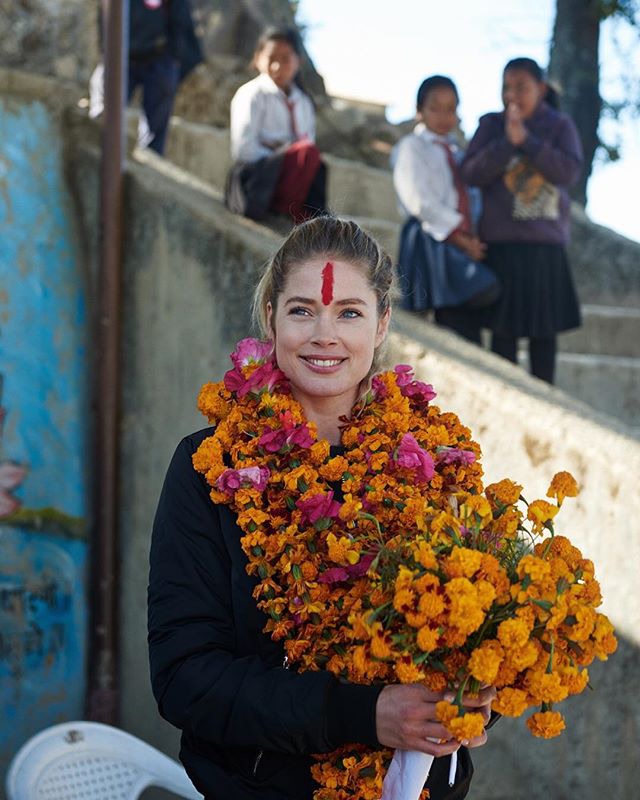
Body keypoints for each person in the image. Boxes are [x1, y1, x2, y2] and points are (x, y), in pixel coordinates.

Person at [147, 217, 495, 800]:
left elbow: (480, 629)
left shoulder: (437, 462)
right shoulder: (209, 466)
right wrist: (363, 715)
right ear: (271, 318)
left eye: (349, 313)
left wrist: (474, 698)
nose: (324, 335)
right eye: (303, 310)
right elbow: (185, 678)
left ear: (383, 323)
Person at [460, 57, 583, 383]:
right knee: (504, 334)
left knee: (544, 335)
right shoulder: (490, 125)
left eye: (522, 88)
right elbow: (471, 173)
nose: (512, 96)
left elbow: (568, 171)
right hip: (502, 246)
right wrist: (506, 143)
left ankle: (546, 400)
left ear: (540, 89)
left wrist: (527, 140)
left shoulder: (559, 126)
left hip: (545, 248)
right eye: (506, 88)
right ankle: (508, 393)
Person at [391, 75, 499, 344]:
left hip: (459, 237)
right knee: (467, 295)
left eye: (451, 108)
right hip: (431, 237)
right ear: (419, 111)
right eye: (434, 108)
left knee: (465, 308)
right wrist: (460, 239)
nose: (443, 116)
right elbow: (420, 202)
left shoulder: (457, 152)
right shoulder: (411, 148)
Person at [225, 27, 327, 224]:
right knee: (305, 153)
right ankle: (280, 208)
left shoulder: (304, 102)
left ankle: (301, 213)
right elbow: (244, 150)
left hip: (293, 172)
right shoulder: (251, 94)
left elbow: (307, 146)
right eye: (271, 58)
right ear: (258, 58)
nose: (277, 66)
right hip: (258, 179)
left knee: (314, 160)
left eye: (286, 59)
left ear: (299, 61)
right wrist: (281, 153)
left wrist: (286, 150)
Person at [89, 0, 202, 155]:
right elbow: (104, 14)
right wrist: (106, 54)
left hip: (158, 58)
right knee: (103, 114)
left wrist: (173, 59)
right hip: (120, 57)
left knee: (153, 134)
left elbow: (180, 21)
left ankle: (149, 162)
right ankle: (98, 152)